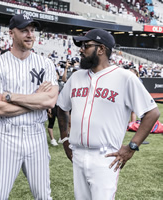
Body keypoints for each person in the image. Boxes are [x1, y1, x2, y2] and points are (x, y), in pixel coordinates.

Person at [57, 28, 160, 200]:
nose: (81, 49)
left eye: (86, 45)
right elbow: (61, 107)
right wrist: (65, 139)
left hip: (106, 156)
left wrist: (131, 147)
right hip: (78, 154)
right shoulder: (76, 77)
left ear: (101, 49)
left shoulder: (124, 77)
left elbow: (152, 113)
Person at [0, 13, 58, 199]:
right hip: (7, 134)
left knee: (43, 195)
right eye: (24, 30)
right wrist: (35, 100)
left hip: (36, 134)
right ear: (11, 33)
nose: (30, 34)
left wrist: (11, 97)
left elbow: (49, 102)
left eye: (32, 30)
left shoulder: (46, 63)